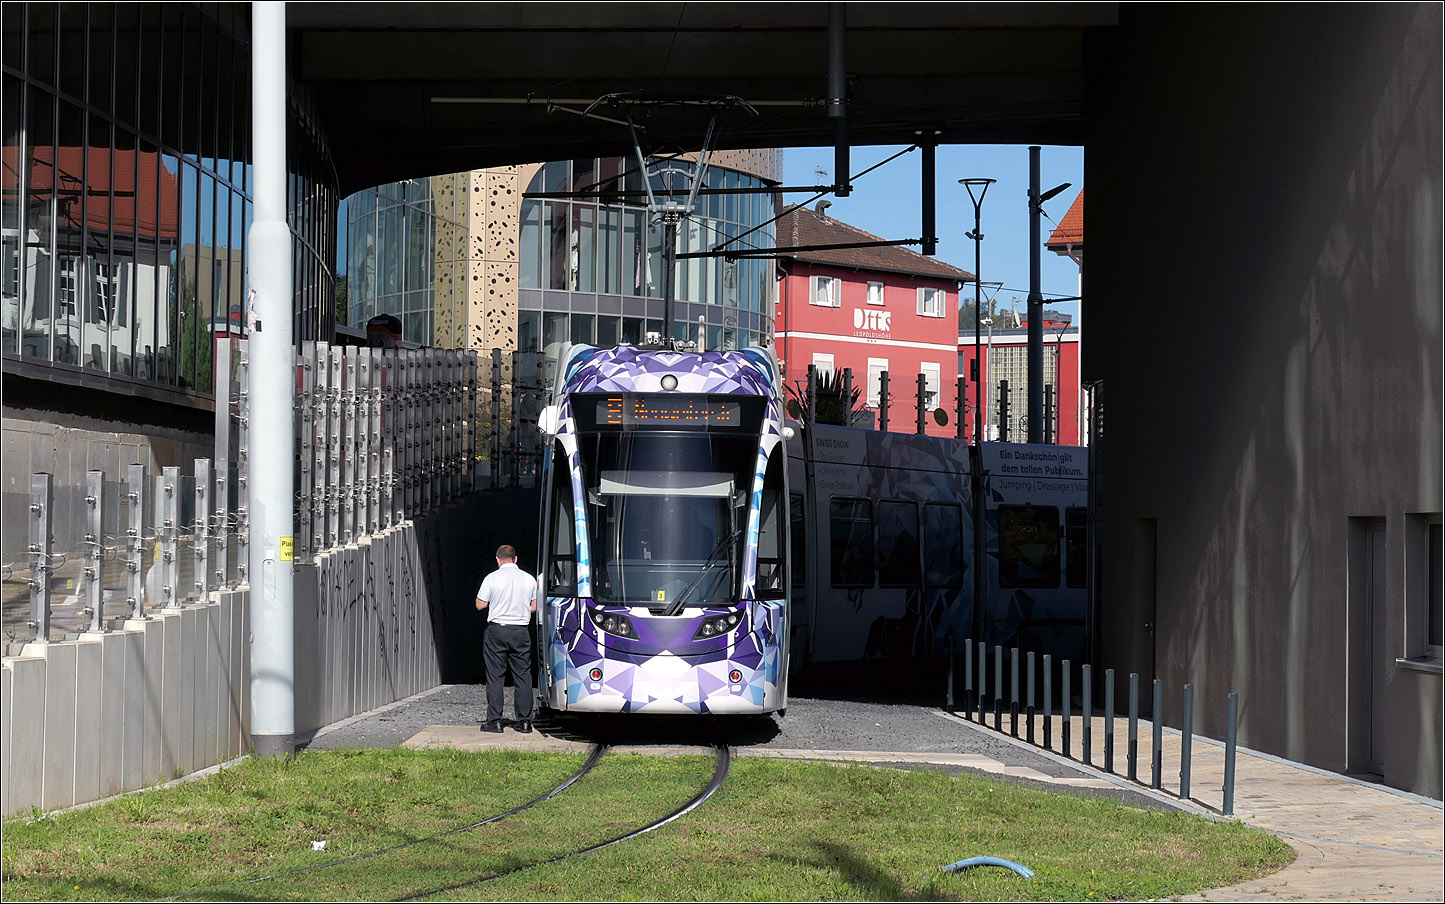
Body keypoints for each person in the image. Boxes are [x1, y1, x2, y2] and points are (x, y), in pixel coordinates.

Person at [475, 544, 538, 733]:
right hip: (520, 631)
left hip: (497, 631)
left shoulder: (491, 578)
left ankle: (494, 721)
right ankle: (525, 721)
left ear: (497, 559)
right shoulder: (529, 579)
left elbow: (480, 605)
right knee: (523, 676)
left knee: (495, 676)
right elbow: (533, 607)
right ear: (515, 559)